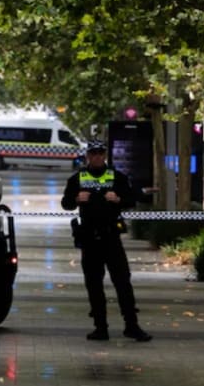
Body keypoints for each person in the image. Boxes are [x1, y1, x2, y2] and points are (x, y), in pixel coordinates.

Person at [61, 140, 152, 342]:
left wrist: (118, 199)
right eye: (93, 154)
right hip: (89, 238)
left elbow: (130, 200)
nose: (97, 157)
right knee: (94, 284)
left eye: (100, 153)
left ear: (105, 155)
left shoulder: (116, 177)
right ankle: (100, 327)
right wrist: (76, 199)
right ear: (87, 156)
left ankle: (132, 325)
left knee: (122, 282)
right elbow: (66, 203)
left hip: (111, 237)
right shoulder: (78, 178)